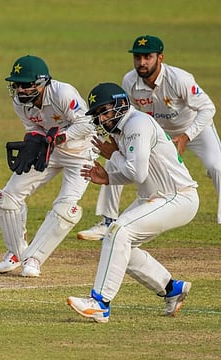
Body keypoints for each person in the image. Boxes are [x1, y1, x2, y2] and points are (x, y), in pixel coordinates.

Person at [67, 82, 198, 323]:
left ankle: (100, 302)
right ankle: (171, 288)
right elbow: (136, 170)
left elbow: (137, 173)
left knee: (118, 231)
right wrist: (110, 170)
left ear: (121, 104)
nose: (102, 119)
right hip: (155, 197)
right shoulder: (121, 130)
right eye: (97, 114)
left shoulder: (137, 124)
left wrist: (110, 170)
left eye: (105, 111)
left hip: (178, 196)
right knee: (115, 240)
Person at [77, 35, 220, 241]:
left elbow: (208, 108)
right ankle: (107, 221)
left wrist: (185, 137)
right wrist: (117, 147)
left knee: (217, 166)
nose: (142, 63)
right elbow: (125, 114)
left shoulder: (179, 79)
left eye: (148, 57)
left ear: (160, 57)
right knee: (113, 161)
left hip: (192, 127)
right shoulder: (129, 80)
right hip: (154, 130)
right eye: (137, 57)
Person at [0, 55, 96, 277]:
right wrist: (33, 140)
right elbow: (34, 126)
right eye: (17, 85)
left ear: (41, 83)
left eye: (26, 85)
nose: (20, 90)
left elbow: (88, 122)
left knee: (65, 209)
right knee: (7, 198)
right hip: (49, 150)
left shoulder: (62, 93)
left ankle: (34, 259)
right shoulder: (19, 103)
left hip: (80, 153)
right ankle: (17, 253)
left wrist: (59, 137)